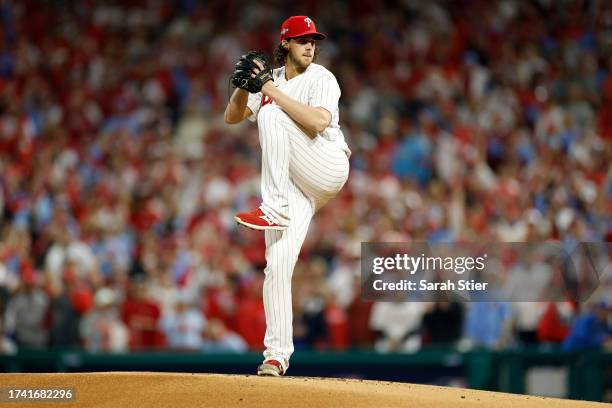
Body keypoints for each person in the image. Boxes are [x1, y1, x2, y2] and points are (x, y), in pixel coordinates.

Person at [224, 15, 350, 376]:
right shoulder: (273, 80)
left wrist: (268, 91)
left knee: (272, 116)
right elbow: (232, 117)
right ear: (285, 44)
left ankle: (273, 207)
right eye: (301, 40)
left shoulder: (321, 77)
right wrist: (242, 87)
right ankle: (276, 356)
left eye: (313, 40)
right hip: (296, 185)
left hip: (325, 165)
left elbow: (318, 123)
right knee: (277, 265)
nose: (310, 45)